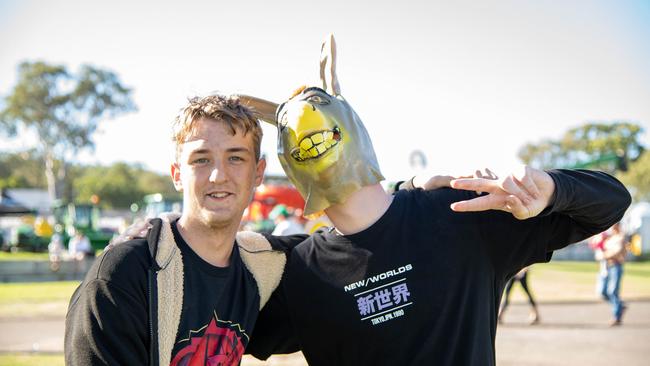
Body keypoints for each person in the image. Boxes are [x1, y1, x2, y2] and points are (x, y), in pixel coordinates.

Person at [240, 35, 631, 365]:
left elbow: (611, 202)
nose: (312, 141)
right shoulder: (298, 271)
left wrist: (551, 187)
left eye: (320, 127)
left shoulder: (463, 215)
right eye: (301, 141)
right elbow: (211, 326)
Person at [64, 95, 303, 365]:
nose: (218, 175)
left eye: (235, 157)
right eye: (201, 160)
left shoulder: (260, 266)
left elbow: (344, 253)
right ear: (177, 175)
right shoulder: (122, 276)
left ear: (258, 172)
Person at [595, 222, 628, 326]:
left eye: (615, 225)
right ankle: (620, 305)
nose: (613, 227)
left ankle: (617, 317)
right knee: (602, 292)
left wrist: (604, 255)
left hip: (616, 266)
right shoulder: (609, 238)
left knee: (613, 291)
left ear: (618, 226)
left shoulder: (621, 237)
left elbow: (616, 252)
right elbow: (600, 248)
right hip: (606, 267)